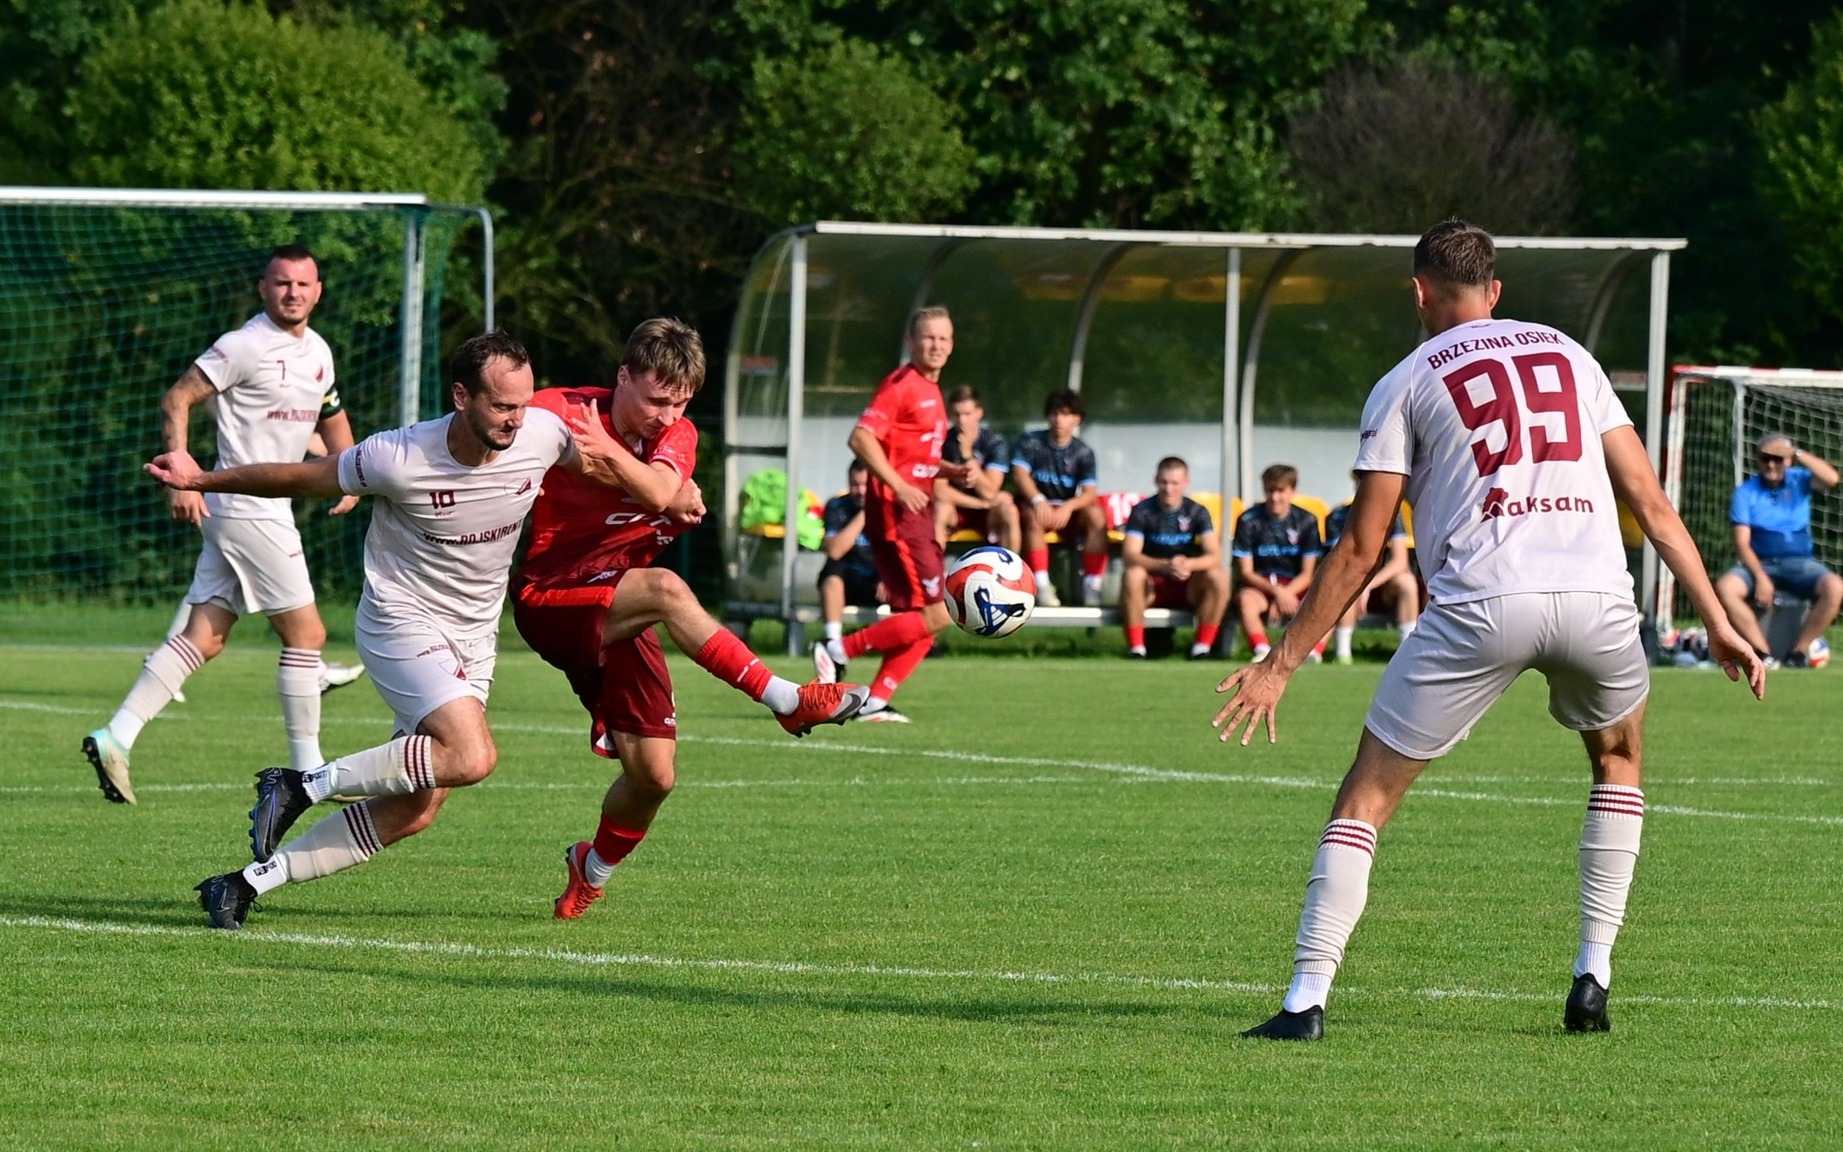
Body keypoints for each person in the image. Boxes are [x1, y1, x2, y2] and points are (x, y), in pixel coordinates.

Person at [1213, 219, 1764, 1042]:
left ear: (1418, 291)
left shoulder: (1402, 380)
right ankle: (1592, 976)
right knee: (1617, 760)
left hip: (1480, 603)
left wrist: (1280, 663)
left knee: (1366, 797)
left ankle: (1303, 1001)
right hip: (1595, 598)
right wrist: (1716, 620)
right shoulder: (1571, 356)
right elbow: (1648, 501)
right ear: (1496, 291)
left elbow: (1362, 546)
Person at [152, 332, 664, 928]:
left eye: (523, 404)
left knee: (417, 807)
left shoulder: (542, 434)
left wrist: (672, 495)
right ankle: (299, 784)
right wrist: (200, 481)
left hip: (474, 633)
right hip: (400, 619)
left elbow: (602, 468)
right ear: (461, 396)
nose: (516, 419)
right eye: (501, 406)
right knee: (471, 756)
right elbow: (301, 477)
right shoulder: (398, 456)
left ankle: (242, 884)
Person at [512, 319, 867, 920]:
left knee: (654, 775)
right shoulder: (558, 411)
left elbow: (661, 492)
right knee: (670, 589)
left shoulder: (679, 434)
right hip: (551, 595)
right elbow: (655, 494)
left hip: (618, 601)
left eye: (679, 403)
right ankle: (787, 699)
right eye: (654, 399)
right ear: (622, 376)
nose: (665, 415)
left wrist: (620, 468)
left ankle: (589, 870)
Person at [82, 245, 357, 806]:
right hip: (245, 504)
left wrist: (348, 472)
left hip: (263, 508)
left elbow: (330, 415)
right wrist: (181, 464)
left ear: (318, 290)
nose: (293, 293)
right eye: (282, 283)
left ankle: (117, 735)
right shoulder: (243, 344)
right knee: (308, 636)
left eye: (303, 284)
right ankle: (308, 772)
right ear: (263, 288)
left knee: (204, 637)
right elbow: (177, 396)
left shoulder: (320, 352)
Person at [811, 306, 976, 723]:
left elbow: (914, 456)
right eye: (928, 337)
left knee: (926, 619)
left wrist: (949, 470)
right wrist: (900, 487)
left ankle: (875, 701)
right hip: (898, 513)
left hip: (915, 512)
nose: (936, 345)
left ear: (952, 345)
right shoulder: (902, 384)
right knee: (940, 612)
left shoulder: (933, 392)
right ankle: (838, 649)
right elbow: (861, 438)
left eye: (943, 338)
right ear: (911, 342)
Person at [1713, 433, 1840, 668]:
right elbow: (1742, 543)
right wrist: (1761, 577)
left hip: (1800, 564)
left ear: (1788, 461)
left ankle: (1798, 653)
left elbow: (1832, 478)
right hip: (1759, 564)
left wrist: (1797, 452)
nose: (1771, 464)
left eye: (1778, 459)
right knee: (1725, 587)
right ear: (1758, 460)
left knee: (1835, 587)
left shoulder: (1800, 481)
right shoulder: (1745, 493)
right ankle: (1762, 653)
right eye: (1765, 458)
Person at [1119, 456, 1228, 660]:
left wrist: (1189, 564)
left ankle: (1202, 648)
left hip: (1187, 585)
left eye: (1175, 483)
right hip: (1151, 587)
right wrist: (1165, 565)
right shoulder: (1142, 511)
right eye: (1164, 482)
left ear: (1186, 483)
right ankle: (1136, 649)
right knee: (1132, 574)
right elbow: (1130, 555)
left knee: (1218, 576)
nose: (1169, 489)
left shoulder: (1197, 511)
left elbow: (1214, 556)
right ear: (1155, 480)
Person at [1011, 389, 1106, 607]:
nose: (1059, 420)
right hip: (1038, 509)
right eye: (1054, 413)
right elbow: (1019, 474)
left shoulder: (1083, 452)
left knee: (1096, 516)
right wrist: (1038, 500)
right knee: (1033, 516)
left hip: (1066, 513)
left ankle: (1092, 586)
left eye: (1065, 414)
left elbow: (1090, 492)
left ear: (1076, 419)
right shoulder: (1031, 442)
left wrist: (1069, 506)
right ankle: (1042, 585)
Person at [1231, 464, 1325, 663]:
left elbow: (1308, 573)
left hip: (1295, 587)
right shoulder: (1248, 520)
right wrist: (1277, 592)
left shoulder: (1307, 521)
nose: (1274, 497)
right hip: (1262, 587)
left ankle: (1313, 652)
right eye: (1270, 491)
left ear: (1293, 491)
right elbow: (1246, 572)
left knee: (1327, 597)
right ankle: (1262, 649)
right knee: (1246, 599)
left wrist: (1286, 593)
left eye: (1280, 491)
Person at [1324, 480, 1421, 664]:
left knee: (1407, 582)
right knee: (1345, 582)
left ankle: (1407, 654)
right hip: (1353, 579)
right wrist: (1359, 585)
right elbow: (1339, 563)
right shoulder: (1337, 517)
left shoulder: (1392, 514)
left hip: (1382, 584)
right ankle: (1342, 654)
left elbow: (1400, 562)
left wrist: (1368, 586)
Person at [934, 385, 1021, 551]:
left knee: (1008, 510)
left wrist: (967, 455)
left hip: (987, 514)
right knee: (940, 509)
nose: (961, 420)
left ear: (979, 413)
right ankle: (936, 575)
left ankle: (1012, 572)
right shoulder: (942, 441)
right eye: (957, 414)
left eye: (967, 414)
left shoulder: (994, 442)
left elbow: (989, 491)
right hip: (957, 507)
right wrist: (981, 504)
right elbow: (940, 491)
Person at [819, 460, 885, 649]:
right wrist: (865, 514)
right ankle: (833, 642)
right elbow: (834, 550)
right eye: (855, 485)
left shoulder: (890, 508)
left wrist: (889, 578)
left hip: (881, 584)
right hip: (849, 583)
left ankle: (924, 642)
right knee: (833, 567)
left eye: (866, 485)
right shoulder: (837, 506)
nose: (861, 491)